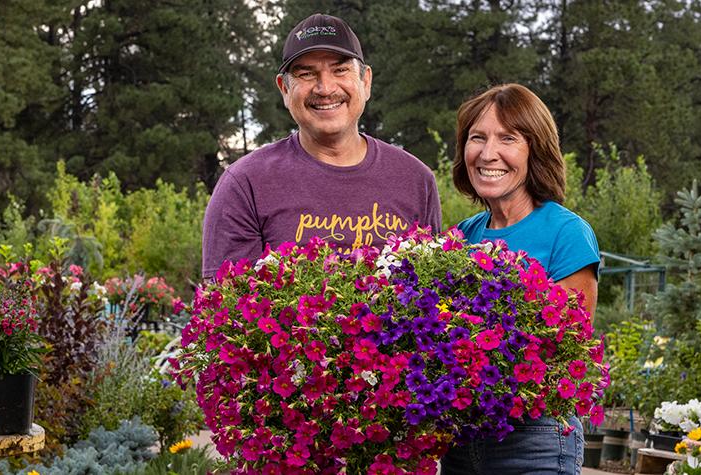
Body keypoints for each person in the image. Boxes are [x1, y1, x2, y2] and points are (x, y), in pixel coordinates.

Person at [201, 13, 441, 278]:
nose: (325, 88)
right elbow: (225, 308)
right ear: (284, 89)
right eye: (306, 74)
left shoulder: (415, 179)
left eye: (340, 70)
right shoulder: (245, 184)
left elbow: (430, 291)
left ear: (366, 81)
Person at [441, 83, 599, 474]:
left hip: (535, 440)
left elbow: (565, 349)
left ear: (535, 149)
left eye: (507, 138)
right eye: (477, 138)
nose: (488, 153)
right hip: (462, 440)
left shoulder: (566, 233)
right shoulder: (460, 236)